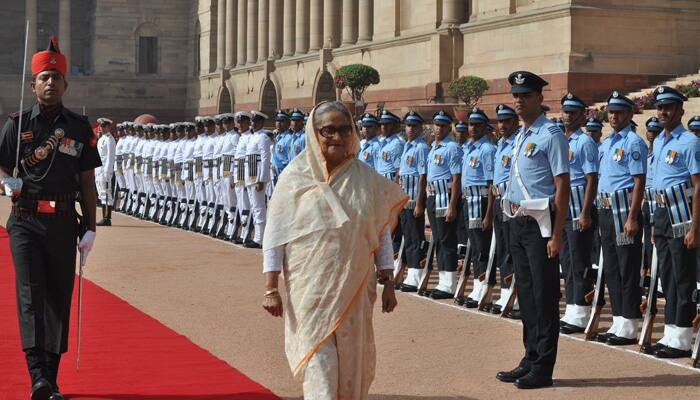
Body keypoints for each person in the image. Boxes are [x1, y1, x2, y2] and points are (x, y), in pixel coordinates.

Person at [262, 101, 406, 399]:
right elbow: (275, 235)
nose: (337, 137)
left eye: (344, 129)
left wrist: (389, 280)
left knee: (353, 363)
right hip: (309, 288)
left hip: (354, 287)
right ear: (314, 133)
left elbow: (379, 233)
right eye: (328, 130)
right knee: (319, 361)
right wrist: (270, 287)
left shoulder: (366, 179)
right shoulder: (294, 177)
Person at [0, 36, 101, 400]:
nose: (49, 83)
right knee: (30, 294)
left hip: (62, 222)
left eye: (56, 78)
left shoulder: (78, 127)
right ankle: (37, 375)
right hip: (25, 220)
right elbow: (1, 162)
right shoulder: (17, 123)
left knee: (58, 298)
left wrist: (90, 228)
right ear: (33, 84)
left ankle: (51, 381)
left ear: (65, 85)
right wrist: (7, 180)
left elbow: (87, 182)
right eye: (43, 77)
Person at [497, 71, 569, 389]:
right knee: (526, 294)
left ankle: (543, 367)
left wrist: (557, 234)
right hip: (519, 222)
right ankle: (530, 357)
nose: (519, 100)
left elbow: (562, 184)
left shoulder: (550, 134)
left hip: (542, 223)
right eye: (516, 95)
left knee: (544, 295)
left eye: (525, 95)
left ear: (540, 99)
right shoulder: (521, 135)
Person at [644, 86, 700, 358]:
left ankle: (682, 337)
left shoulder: (690, 142)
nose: (662, 112)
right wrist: (655, 222)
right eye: (659, 107)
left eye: (668, 107)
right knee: (667, 276)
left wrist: (695, 227)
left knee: (683, 277)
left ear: (680, 110)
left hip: (682, 215)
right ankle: (670, 333)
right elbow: (655, 185)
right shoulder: (658, 142)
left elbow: (698, 186)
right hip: (663, 215)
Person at [596, 91, 647, 346]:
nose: (613, 116)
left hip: (622, 211)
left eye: (619, 112)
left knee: (627, 268)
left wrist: (632, 217)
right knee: (612, 269)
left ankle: (629, 324)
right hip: (605, 210)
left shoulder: (633, 142)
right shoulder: (606, 143)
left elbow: (639, 182)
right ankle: (618, 320)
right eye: (611, 112)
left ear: (629, 114)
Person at [558, 93, 599, 334]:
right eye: (565, 111)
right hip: (563, 210)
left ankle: (581, 312)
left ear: (583, 115)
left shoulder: (585, 142)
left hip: (578, 209)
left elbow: (591, 179)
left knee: (579, 262)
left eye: (573, 112)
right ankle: (572, 308)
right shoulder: (562, 140)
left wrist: (585, 213)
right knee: (567, 261)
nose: (568, 116)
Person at [425, 110, 463, 298]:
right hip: (433, 195)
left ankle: (450, 283)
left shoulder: (452, 148)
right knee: (439, 239)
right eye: (436, 124)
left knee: (447, 240)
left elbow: (456, 179)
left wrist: (452, 206)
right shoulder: (434, 147)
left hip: (446, 196)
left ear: (449, 127)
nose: (438, 128)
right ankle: (443, 281)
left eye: (442, 125)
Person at [460, 108, 496, 306]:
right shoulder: (468, 148)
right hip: (469, 201)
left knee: (482, 247)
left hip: (481, 202)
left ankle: (485, 288)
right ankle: (477, 286)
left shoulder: (487, 150)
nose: (473, 128)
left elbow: (492, 184)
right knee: (474, 245)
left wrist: (489, 214)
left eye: (477, 125)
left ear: (484, 127)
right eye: (470, 124)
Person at [490, 104, 519, 316]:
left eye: (506, 121)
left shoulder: (518, 143)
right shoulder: (500, 144)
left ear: (514, 122)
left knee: (512, 249)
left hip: (511, 201)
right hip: (498, 200)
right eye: (500, 121)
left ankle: (516, 296)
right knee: (502, 249)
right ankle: (504, 292)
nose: (502, 125)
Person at [396, 111, 430, 292]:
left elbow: (422, 176)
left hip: (413, 199)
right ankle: (411, 273)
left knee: (416, 238)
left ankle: (416, 273)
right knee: (407, 237)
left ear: (420, 128)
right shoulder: (407, 146)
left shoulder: (421, 148)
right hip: (404, 200)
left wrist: (419, 202)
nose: (410, 129)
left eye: (414, 126)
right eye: (408, 125)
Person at [244, 111, 273, 248]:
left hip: (257, 178)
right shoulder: (252, 137)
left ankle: (260, 238)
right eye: (252, 121)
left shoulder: (263, 138)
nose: (253, 124)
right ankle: (257, 236)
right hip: (250, 177)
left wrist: (261, 180)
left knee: (259, 207)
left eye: (256, 121)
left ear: (261, 123)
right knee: (254, 207)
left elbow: (265, 159)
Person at [95, 117, 116, 226]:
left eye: (103, 126)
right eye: (100, 126)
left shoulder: (110, 139)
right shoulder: (102, 138)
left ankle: (107, 218)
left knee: (107, 193)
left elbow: (110, 157)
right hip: (98, 170)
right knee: (102, 193)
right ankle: (104, 217)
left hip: (105, 170)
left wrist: (108, 172)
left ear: (108, 127)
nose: (101, 128)